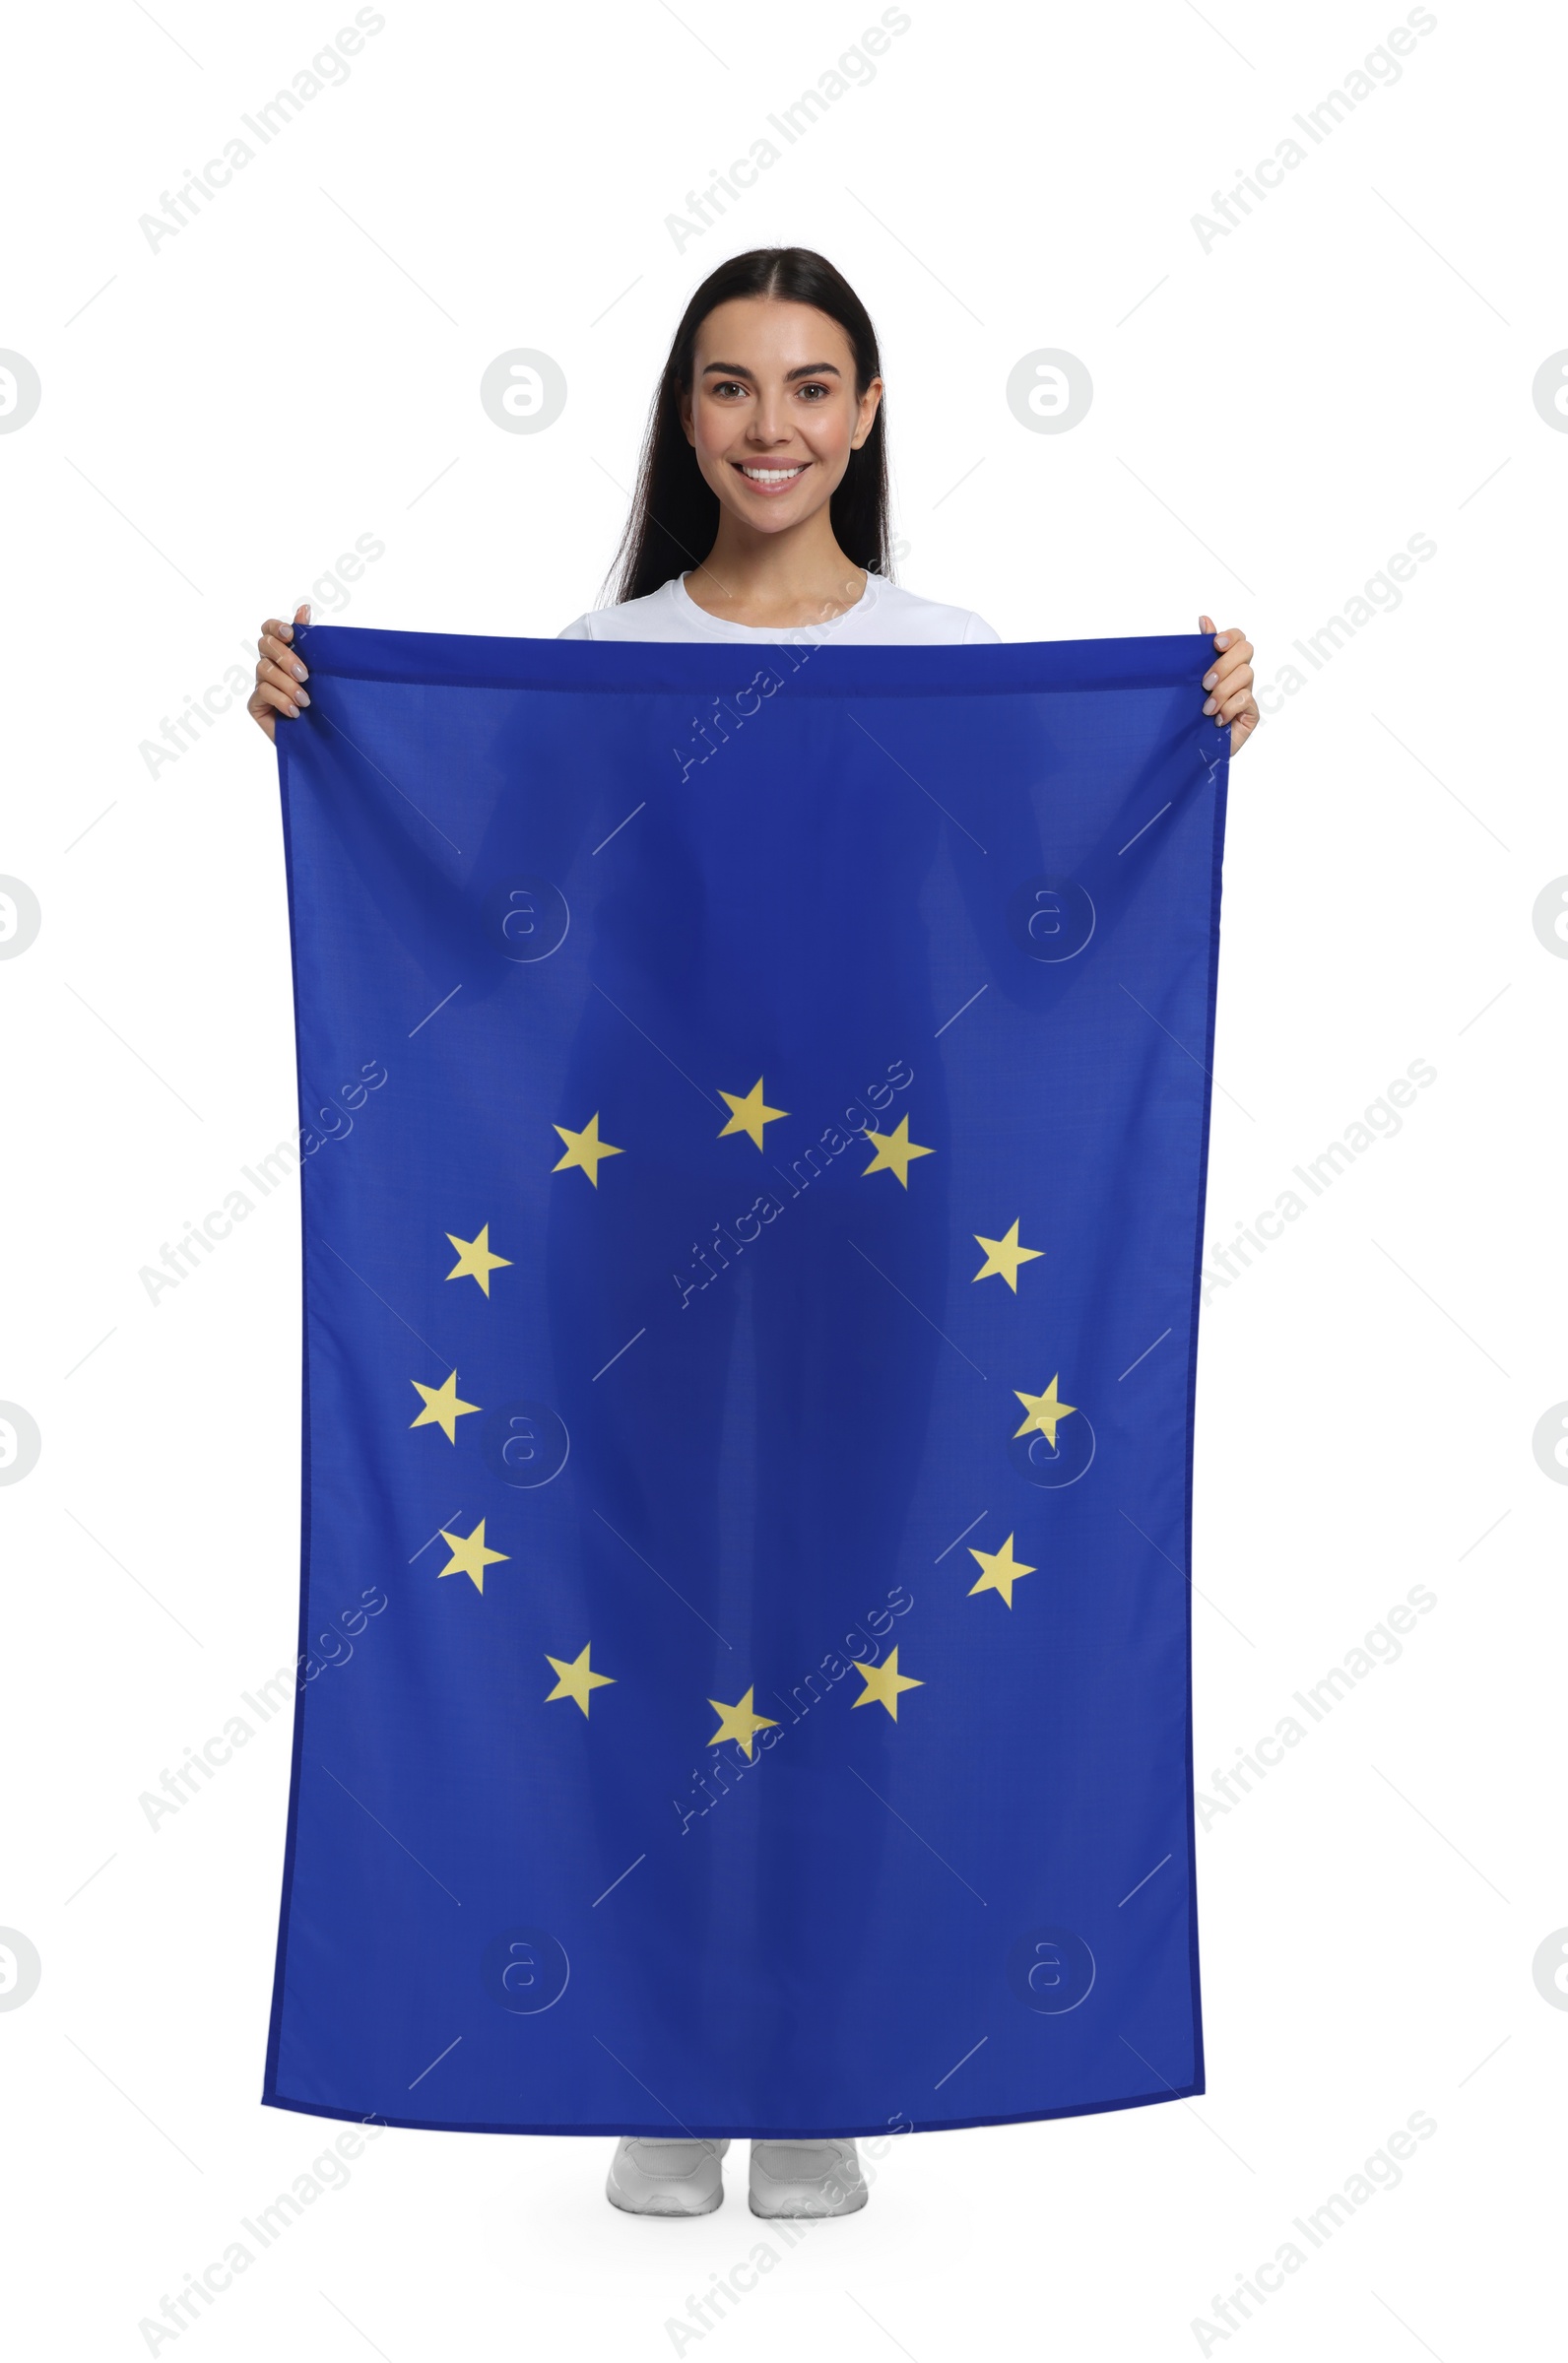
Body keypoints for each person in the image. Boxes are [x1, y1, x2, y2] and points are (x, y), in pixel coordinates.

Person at [248, 244, 1259, 2222]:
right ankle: (659, 2060)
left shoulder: (950, 648)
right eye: (731, 388)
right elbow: (490, 896)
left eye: (809, 387)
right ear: (685, 418)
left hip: (891, 1229)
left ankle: (815, 2069)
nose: (770, 426)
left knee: (839, 1626)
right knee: (646, 1628)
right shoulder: (599, 648)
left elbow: (1043, 909)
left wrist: (1184, 734)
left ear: (865, 415)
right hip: (628, 1217)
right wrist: (332, 730)